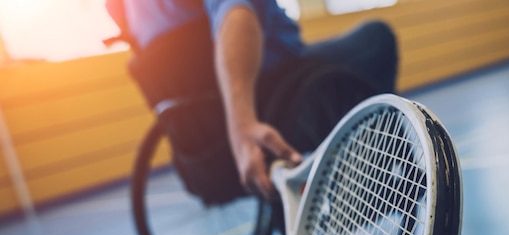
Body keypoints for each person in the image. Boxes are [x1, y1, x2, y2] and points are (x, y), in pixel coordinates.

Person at [106, 0, 398, 200]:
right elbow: (236, 14)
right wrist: (242, 124)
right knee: (376, 37)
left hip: (204, 137)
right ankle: (371, 179)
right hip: (276, 86)